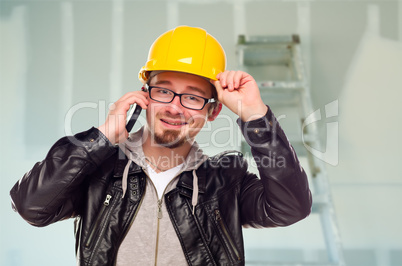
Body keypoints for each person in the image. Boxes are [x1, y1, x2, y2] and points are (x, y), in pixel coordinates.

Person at [10, 26, 312, 266]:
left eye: (192, 97)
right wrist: (101, 137)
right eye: (163, 91)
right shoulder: (99, 170)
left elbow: (291, 208)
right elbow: (31, 206)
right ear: (145, 96)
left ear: (213, 111)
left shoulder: (226, 182)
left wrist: (255, 115)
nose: (175, 108)